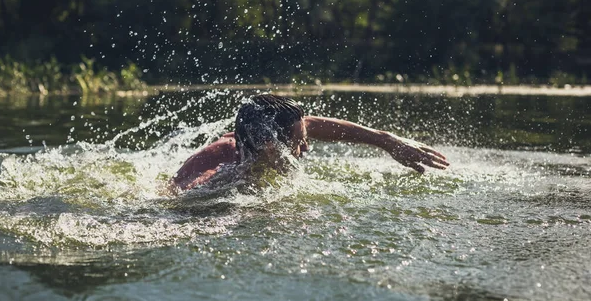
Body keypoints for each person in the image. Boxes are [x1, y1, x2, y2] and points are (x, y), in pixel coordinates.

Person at [169, 94, 449, 191]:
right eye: (298, 142)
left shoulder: (265, 137)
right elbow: (181, 198)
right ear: (269, 146)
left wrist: (388, 141)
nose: (305, 148)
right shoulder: (221, 165)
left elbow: (312, 124)